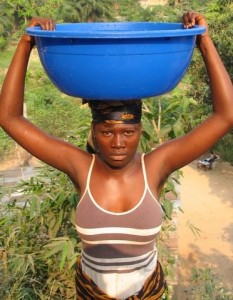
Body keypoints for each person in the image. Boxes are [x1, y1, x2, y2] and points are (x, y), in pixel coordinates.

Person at [0, 11, 233, 300]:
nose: (118, 143)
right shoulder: (81, 168)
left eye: (129, 132)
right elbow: (10, 118)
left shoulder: (156, 167)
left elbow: (225, 116)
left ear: (140, 130)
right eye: (107, 132)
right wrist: (26, 43)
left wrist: (204, 41)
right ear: (93, 132)